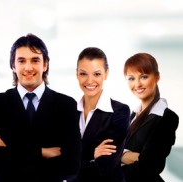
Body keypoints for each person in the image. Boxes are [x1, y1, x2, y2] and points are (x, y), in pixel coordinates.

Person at [0, 33, 82, 182]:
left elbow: (71, 167)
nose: (28, 67)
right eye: (21, 61)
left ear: (45, 65)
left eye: (35, 60)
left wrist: (9, 150)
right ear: (13, 66)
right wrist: (42, 152)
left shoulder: (66, 105)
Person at [68, 47, 130, 182]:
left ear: (106, 74)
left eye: (96, 74)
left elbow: (106, 166)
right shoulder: (69, 112)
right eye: (84, 74)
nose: (90, 81)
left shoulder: (119, 112)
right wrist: (92, 155)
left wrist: (75, 159)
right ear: (77, 74)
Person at [121, 53, 179, 182]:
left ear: (157, 77)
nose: (137, 84)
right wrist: (125, 155)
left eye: (144, 77)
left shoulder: (167, 117)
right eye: (131, 78)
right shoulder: (132, 116)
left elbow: (151, 165)